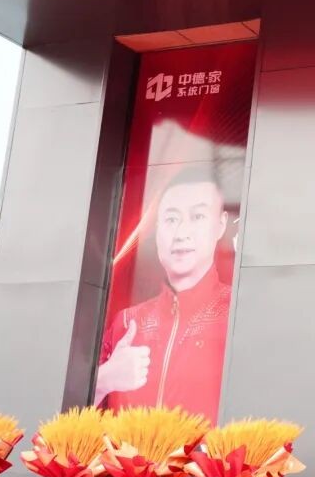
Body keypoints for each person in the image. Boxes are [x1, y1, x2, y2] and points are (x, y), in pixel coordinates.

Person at [95, 166, 232, 423]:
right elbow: (70, 423)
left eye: (198, 217)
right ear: (157, 229)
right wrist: (104, 380)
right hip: (127, 451)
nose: (181, 234)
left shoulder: (236, 315)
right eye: (171, 219)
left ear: (220, 225)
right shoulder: (127, 323)